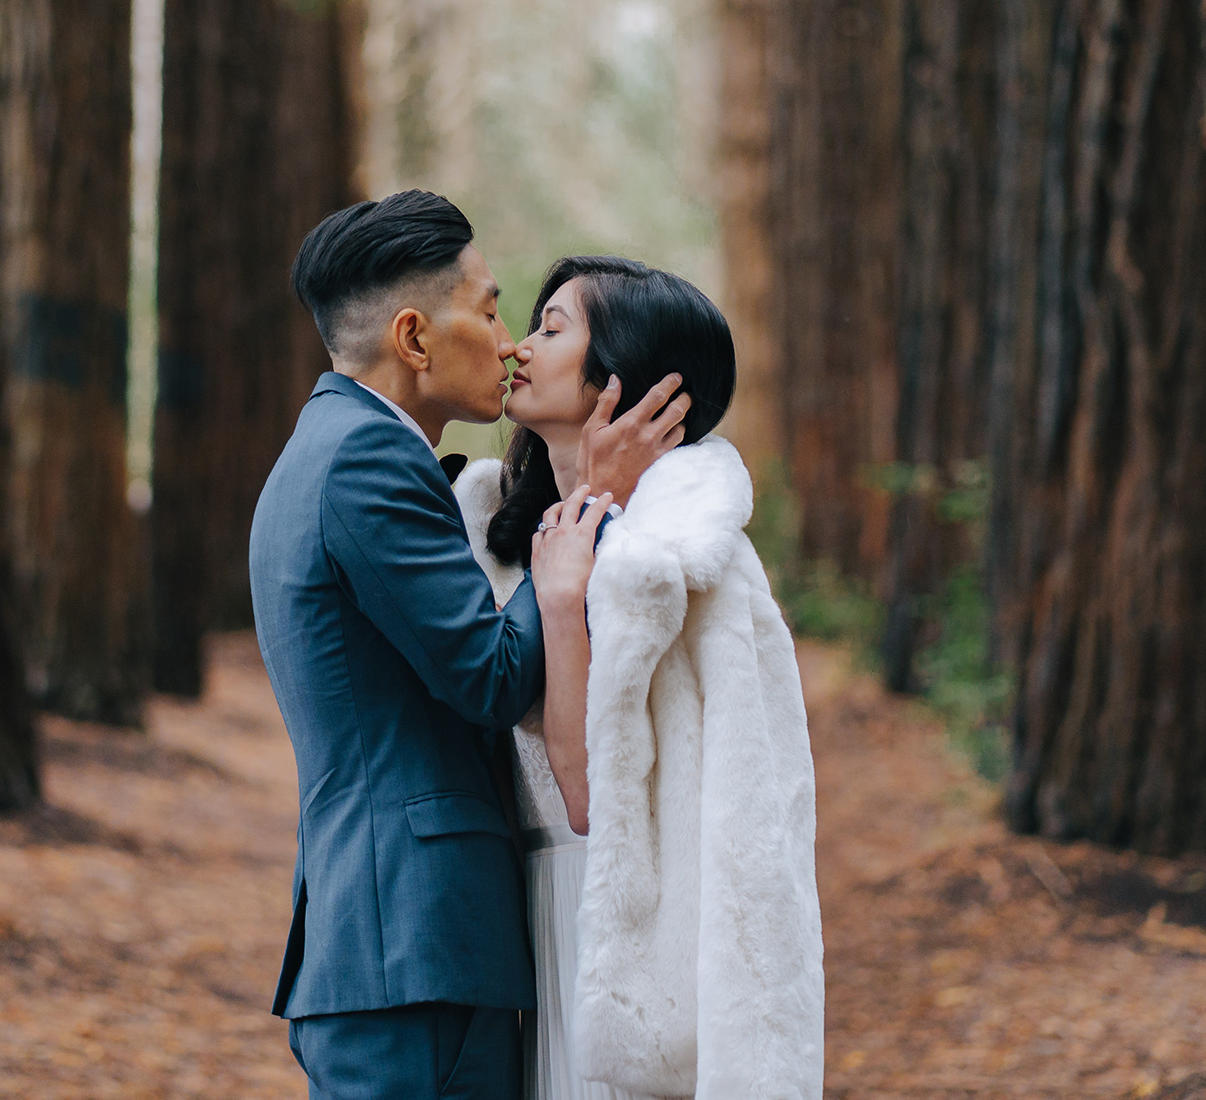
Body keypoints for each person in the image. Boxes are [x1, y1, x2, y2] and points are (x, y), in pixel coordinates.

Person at [249, 194, 689, 1100]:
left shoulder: (329, 445)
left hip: (399, 944)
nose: (507, 339)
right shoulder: (369, 459)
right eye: (488, 310)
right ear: (414, 337)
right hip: (416, 945)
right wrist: (580, 522)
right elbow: (490, 675)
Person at [453, 256, 824, 1100]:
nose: (520, 347)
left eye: (553, 328)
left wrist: (566, 591)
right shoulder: (500, 537)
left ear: (619, 382)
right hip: (525, 929)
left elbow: (591, 793)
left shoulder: (677, 558)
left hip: (627, 938)